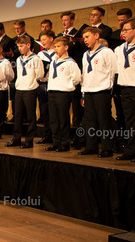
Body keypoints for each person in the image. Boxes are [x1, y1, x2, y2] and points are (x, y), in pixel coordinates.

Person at [78, 27, 118, 157]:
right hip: (89, 91)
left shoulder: (106, 52)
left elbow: (113, 72)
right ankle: (91, 147)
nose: (85, 40)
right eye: (84, 38)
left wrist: (111, 90)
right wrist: (83, 93)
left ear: (96, 36)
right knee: (90, 121)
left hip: (102, 91)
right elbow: (84, 75)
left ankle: (107, 148)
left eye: (87, 37)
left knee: (104, 121)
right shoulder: (86, 54)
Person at [7, 35, 44, 148]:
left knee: (30, 116)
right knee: (18, 115)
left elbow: (40, 74)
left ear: (28, 45)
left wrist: (32, 82)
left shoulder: (35, 59)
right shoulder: (19, 59)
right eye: (18, 46)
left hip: (30, 89)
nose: (20, 49)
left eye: (22, 46)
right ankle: (16, 138)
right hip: (20, 89)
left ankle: (29, 140)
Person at [46, 37, 81, 152]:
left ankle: (65, 142)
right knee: (53, 119)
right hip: (52, 91)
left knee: (63, 118)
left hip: (64, 93)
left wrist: (67, 86)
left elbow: (76, 78)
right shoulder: (54, 61)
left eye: (58, 46)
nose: (56, 49)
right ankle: (56, 141)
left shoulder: (70, 63)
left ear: (66, 47)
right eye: (55, 47)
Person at [115, 18, 135, 161]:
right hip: (126, 89)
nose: (123, 33)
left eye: (126, 30)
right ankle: (130, 150)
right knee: (129, 121)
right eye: (122, 30)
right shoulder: (119, 49)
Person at [37, 30, 58, 144]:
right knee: (44, 111)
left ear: (51, 39)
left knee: (54, 112)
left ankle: (56, 136)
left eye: (44, 39)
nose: (43, 42)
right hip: (43, 85)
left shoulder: (57, 53)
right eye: (41, 40)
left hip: (55, 84)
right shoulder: (40, 54)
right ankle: (47, 135)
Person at [0, 41, 15, 138]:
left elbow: (11, 76)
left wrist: (3, 77)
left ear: (0, 50)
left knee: (1, 111)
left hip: (2, 89)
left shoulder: (6, 62)